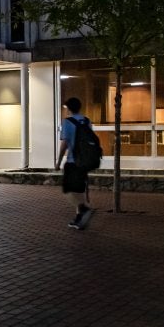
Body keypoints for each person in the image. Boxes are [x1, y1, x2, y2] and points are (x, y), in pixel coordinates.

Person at [54, 97, 94, 230]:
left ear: (69, 108)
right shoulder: (86, 121)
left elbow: (64, 144)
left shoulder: (67, 122)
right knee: (79, 189)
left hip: (73, 161)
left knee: (68, 189)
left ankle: (84, 208)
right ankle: (79, 219)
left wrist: (58, 161)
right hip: (85, 161)